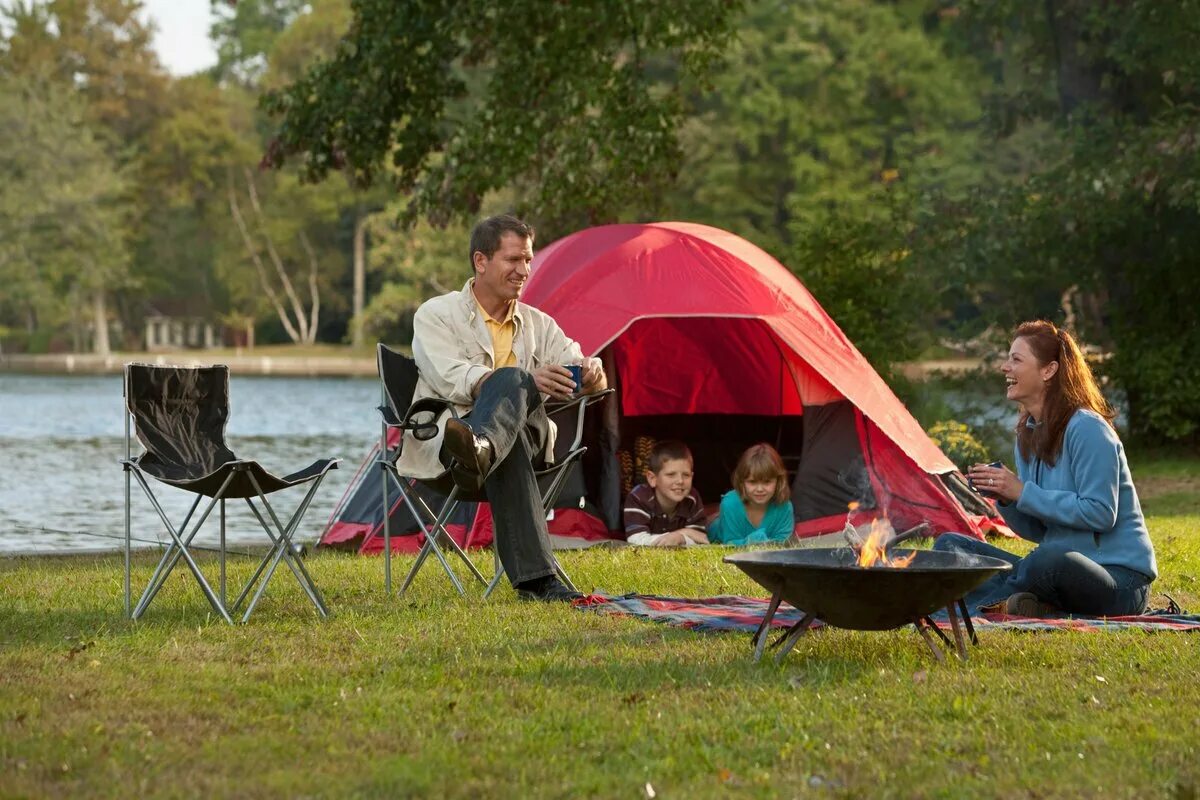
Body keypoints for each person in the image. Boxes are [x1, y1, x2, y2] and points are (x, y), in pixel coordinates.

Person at [395, 214, 607, 602]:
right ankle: (537, 582)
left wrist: (593, 372)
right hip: (451, 446)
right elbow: (450, 376)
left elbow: (580, 365)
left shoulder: (539, 324)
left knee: (514, 388)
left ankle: (484, 448)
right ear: (481, 261)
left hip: (519, 439)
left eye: (527, 260)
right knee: (512, 386)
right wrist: (521, 381)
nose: (523, 270)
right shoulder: (436, 315)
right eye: (513, 260)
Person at [934, 320, 1157, 617]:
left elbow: (1101, 513)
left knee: (1048, 559)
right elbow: (1036, 529)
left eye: (1016, 359)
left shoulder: (1088, 429)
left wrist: (1022, 491)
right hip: (1056, 567)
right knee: (950, 547)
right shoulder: (1027, 433)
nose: (1005, 367)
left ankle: (979, 603)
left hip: (1119, 581)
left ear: (1048, 370)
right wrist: (1006, 498)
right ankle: (1028, 601)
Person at [623, 440, 709, 546]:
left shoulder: (692, 498)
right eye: (671, 474)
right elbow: (636, 540)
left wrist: (680, 536)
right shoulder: (638, 497)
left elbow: (701, 540)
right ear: (652, 478)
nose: (680, 481)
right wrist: (682, 535)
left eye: (686, 475)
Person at [708, 443, 795, 546]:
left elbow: (782, 544)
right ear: (742, 482)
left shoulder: (785, 507)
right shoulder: (730, 504)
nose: (759, 489)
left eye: (767, 482)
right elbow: (730, 545)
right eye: (752, 482)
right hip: (717, 531)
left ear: (779, 481)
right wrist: (756, 540)